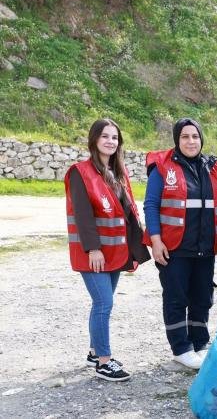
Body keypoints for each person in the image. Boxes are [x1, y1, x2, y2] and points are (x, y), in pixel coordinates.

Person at [64, 118, 151, 382]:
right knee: (104, 303)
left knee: (101, 303)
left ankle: (93, 352)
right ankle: (104, 361)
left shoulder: (117, 172)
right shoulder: (80, 172)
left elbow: (126, 213)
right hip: (95, 253)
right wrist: (93, 249)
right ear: (94, 140)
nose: (110, 141)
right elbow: (82, 214)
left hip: (115, 252)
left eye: (115, 137)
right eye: (105, 136)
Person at [143, 118, 217, 370]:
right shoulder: (162, 167)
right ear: (176, 140)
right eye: (185, 137)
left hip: (204, 247)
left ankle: (200, 343)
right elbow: (151, 205)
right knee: (176, 297)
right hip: (174, 247)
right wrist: (155, 240)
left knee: (202, 297)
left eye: (195, 136)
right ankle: (181, 348)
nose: (191, 141)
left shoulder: (213, 168)